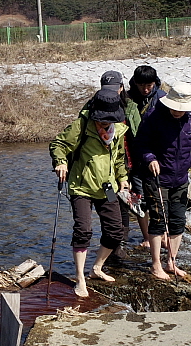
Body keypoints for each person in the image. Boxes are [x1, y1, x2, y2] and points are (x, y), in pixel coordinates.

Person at [49, 87, 131, 297]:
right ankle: (80, 278)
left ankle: (96, 268)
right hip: (81, 186)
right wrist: (60, 163)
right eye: (103, 119)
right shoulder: (82, 125)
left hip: (107, 187)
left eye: (110, 119)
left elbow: (119, 158)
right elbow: (58, 144)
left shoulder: (119, 130)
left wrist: (123, 179)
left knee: (115, 231)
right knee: (83, 230)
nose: (105, 123)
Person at [135, 81, 191, 281]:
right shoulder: (153, 117)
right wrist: (150, 158)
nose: (178, 112)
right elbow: (141, 144)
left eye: (182, 109)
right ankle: (155, 265)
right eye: (175, 108)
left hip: (180, 178)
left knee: (178, 222)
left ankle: (171, 261)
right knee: (158, 221)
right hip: (157, 178)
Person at [122, 65, 165, 242]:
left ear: (155, 83)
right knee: (139, 198)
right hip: (135, 155)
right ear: (135, 83)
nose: (145, 89)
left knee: (159, 197)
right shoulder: (128, 98)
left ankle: (162, 234)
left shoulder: (162, 98)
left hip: (158, 155)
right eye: (142, 86)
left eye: (149, 85)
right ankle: (147, 237)